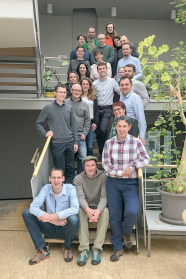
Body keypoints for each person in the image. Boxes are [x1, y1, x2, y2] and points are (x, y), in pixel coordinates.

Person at [102, 115, 150, 261]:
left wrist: (132, 165)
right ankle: (117, 248)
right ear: (115, 127)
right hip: (113, 182)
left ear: (129, 127)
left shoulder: (136, 142)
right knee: (115, 216)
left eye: (124, 126)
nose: (121, 129)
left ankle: (127, 233)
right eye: (119, 126)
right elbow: (105, 163)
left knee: (132, 211)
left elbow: (146, 158)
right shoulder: (109, 143)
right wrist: (119, 172)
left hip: (130, 183)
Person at [23, 167, 79, 264]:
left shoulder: (70, 188)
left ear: (63, 179)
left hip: (64, 228)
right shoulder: (46, 189)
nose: (56, 180)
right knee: (27, 213)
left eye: (58, 177)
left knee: (74, 219)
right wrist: (52, 220)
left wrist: (53, 216)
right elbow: (33, 207)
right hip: (49, 227)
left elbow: (75, 208)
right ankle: (42, 250)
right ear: (49, 179)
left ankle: (67, 247)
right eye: (53, 177)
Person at [35, 84, 78, 184]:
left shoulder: (69, 108)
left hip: (70, 142)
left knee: (70, 169)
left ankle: (69, 192)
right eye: (60, 92)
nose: (62, 94)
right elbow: (38, 123)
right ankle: (60, 193)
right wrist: (45, 133)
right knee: (59, 170)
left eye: (64, 92)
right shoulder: (48, 108)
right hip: (57, 144)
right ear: (55, 93)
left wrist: (75, 142)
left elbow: (73, 126)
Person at [74, 156, 109, 266]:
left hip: (99, 206)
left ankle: (96, 248)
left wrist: (98, 211)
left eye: (93, 165)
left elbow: (104, 197)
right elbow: (80, 198)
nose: (90, 168)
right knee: (80, 212)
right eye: (88, 166)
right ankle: (84, 249)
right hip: (85, 207)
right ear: (84, 167)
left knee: (106, 211)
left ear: (96, 166)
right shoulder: (78, 178)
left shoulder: (103, 177)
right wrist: (88, 210)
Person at [93, 62, 120, 157]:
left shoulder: (112, 81)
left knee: (103, 130)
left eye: (103, 68)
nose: (102, 70)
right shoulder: (94, 83)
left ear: (107, 69)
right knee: (98, 132)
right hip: (97, 109)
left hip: (108, 109)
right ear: (97, 71)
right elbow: (91, 96)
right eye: (100, 69)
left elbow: (120, 92)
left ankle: (105, 151)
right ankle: (102, 152)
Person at [65, 83, 91, 174]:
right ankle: (70, 178)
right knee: (69, 158)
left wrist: (84, 133)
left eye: (79, 90)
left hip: (80, 135)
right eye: (75, 90)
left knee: (83, 157)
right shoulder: (65, 103)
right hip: (69, 136)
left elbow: (88, 120)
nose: (77, 92)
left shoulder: (85, 104)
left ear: (81, 92)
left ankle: (80, 176)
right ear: (71, 91)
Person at [119, 76, 146, 145]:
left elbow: (141, 117)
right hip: (122, 130)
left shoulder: (135, 98)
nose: (124, 87)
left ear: (131, 86)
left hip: (132, 129)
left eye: (126, 84)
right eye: (122, 85)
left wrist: (142, 136)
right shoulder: (121, 98)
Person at [80, 77, 99, 156]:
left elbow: (96, 111)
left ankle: (90, 164)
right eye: (83, 84)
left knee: (90, 146)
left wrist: (95, 123)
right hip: (80, 124)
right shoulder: (78, 97)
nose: (85, 86)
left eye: (87, 84)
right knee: (82, 146)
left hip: (91, 123)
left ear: (90, 85)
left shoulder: (93, 97)